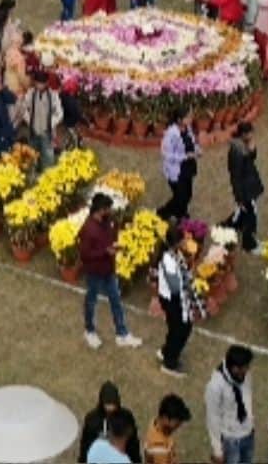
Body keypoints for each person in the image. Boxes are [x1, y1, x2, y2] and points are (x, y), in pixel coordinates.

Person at [78, 193, 142, 350]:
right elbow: (85, 254)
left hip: (108, 270)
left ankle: (122, 334)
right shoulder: (88, 229)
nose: (110, 211)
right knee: (91, 302)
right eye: (108, 208)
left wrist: (115, 244)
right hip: (95, 272)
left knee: (116, 301)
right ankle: (89, 331)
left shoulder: (107, 222)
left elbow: (110, 238)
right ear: (100, 209)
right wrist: (105, 252)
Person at [155, 222, 195, 376]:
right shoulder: (168, 261)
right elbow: (175, 287)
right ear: (176, 242)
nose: (185, 241)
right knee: (181, 329)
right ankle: (169, 363)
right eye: (183, 239)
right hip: (172, 299)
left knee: (176, 328)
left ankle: (166, 352)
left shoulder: (174, 253)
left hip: (173, 298)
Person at [204, 345, 256, 464]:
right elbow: (212, 418)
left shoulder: (245, 375)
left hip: (248, 433)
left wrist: (250, 421)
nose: (247, 371)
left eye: (247, 367)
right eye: (244, 368)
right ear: (234, 368)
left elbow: (247, 399)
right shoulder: (215, 386)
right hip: (230, 440)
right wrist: (218, 450)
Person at [78, 382, 142, 464]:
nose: (110, 408)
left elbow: (133, 444)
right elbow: (85, 444)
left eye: (113, 405)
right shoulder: (92, 419)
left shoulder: (126, 417)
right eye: (107, 404)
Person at [226, 121, 264, 252]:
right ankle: (249, 244)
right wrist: (239, 198)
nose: (252, 135)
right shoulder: (237, 151)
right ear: (243, 134)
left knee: (243, 212)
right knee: (251, 215)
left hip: (249, 185)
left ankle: (229, 226)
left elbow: (251, 158)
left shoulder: (244, 144)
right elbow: (235, 177)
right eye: (249, 133)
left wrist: (252, 149)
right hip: (245, 190)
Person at [158, 108, 200, 220]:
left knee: (188, 194)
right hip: (176, 170)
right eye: (188, 117)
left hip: (188, 167)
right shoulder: (171, 134)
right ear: (179, 120)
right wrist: (185, 156)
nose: (191, 119)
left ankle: (175, 212)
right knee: (180, 197)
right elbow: (166, 154)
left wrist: (197, 150)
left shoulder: (188, 128)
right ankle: (172, 214)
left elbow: (192, 143)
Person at [145, 394, 194, 464]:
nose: (179, 425)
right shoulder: (159, 447)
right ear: (165, 418)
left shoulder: (156, 425)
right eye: (177, 422)